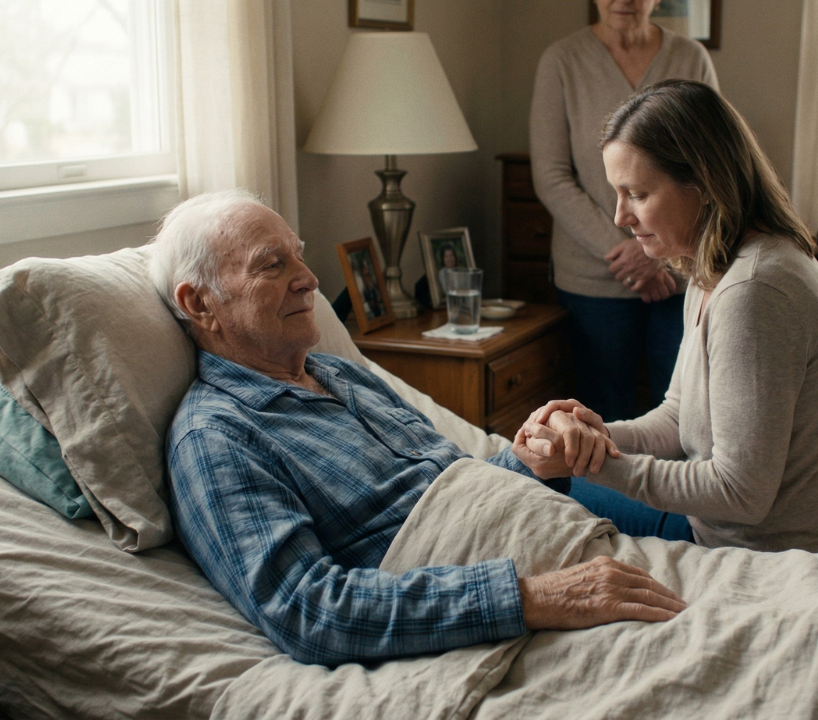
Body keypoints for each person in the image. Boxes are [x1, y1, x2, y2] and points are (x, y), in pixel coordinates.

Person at [148, 190, 684, 667]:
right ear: (199, 303)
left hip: (556, 542)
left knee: (703, 524)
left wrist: (531, 459)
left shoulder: (338, 373)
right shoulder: (216, 437)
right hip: (514, 593)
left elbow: (456, 488)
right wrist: (536, 597)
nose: (309, 278)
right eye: (271, 265)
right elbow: (308, 611)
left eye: (299, 255)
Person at [514, 80, 818, 553]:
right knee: (516, 467)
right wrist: (591, 438)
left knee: (514, 483)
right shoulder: (713, 266)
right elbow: (678, 419)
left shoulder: (754, 292)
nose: (621, 216)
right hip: (736, 529)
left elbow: (740, 493)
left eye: (637, 194)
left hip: (772, 550)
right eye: (617, 194)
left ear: (704, 186)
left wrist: (593, 466)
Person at [530, 0, 719, 424]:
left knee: (690, 419)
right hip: (594, 279)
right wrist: (633, 250)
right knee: (602, 423)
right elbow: (551, 176)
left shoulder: (690, 58)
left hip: (680, 274)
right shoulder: (562, 60)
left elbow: (711, 165)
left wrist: (660, 258)